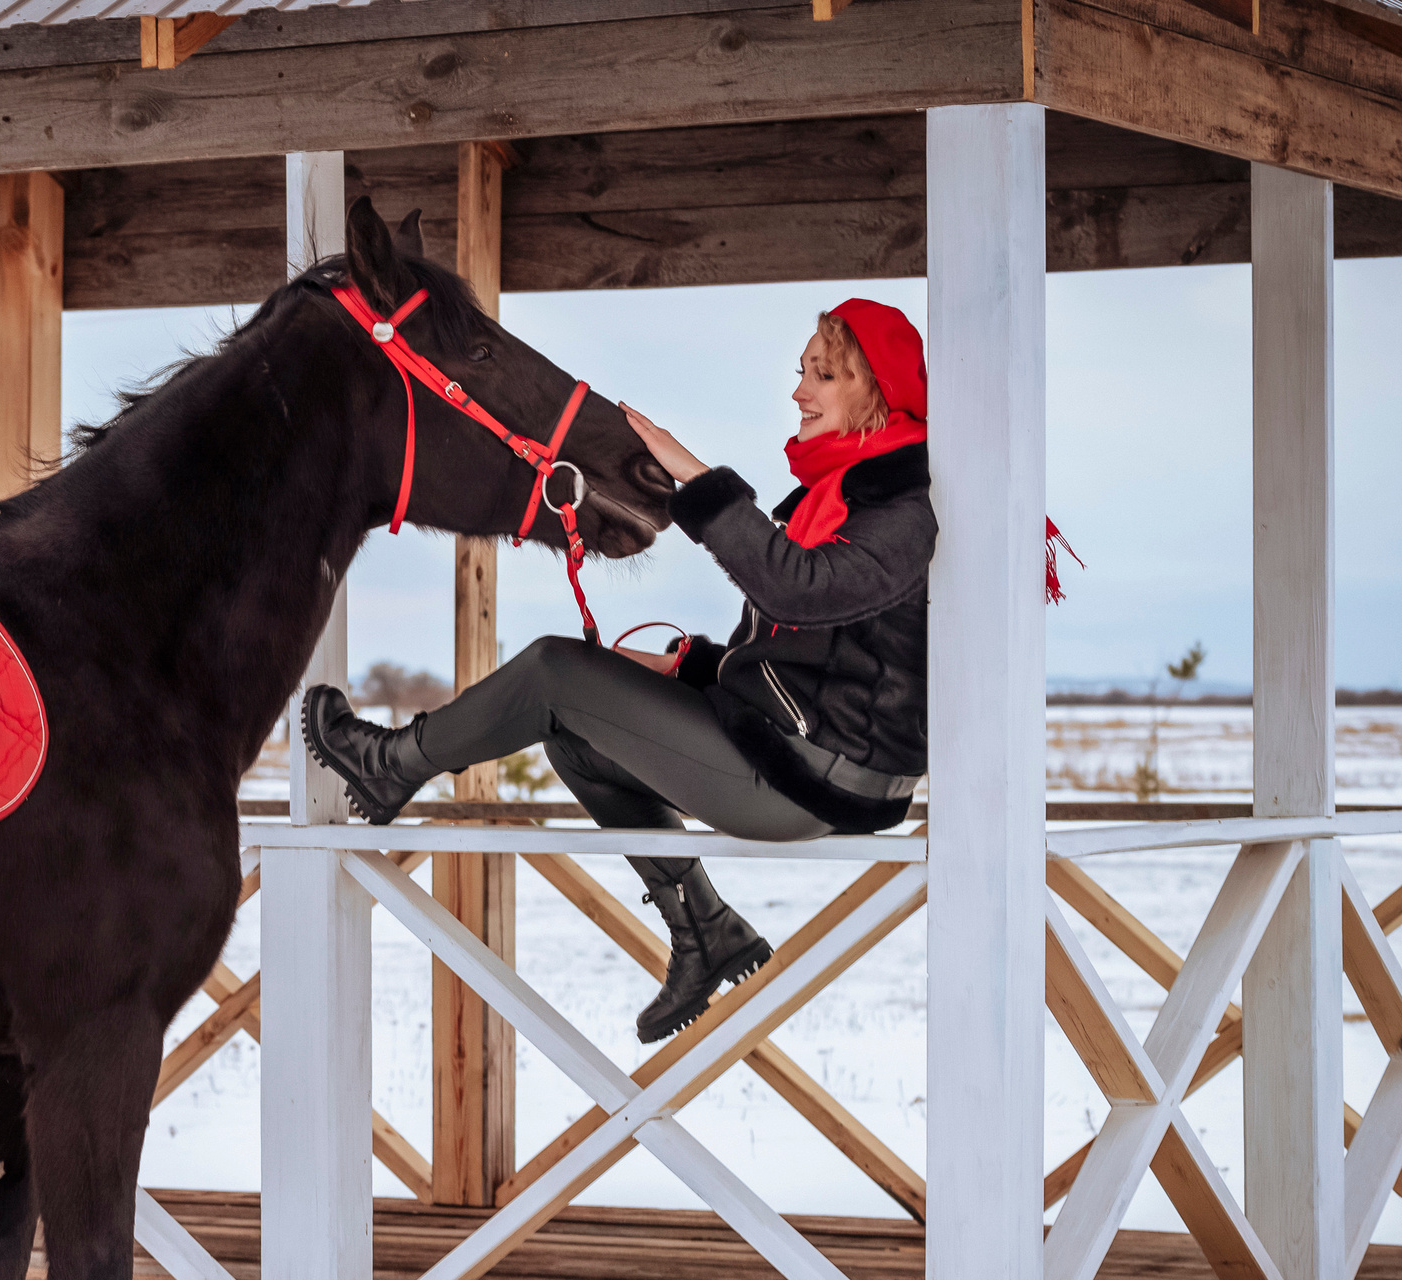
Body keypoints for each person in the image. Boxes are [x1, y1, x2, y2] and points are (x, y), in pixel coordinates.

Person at [303, 298, 935, 1044]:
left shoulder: (902, 510)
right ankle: (704, 930)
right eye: (801, 371)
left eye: (823, 375)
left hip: (814, 776)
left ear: (877, 394)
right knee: (576, 735)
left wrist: (694, 473)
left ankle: (389, 763)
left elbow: (796, 589)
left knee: (550, 670)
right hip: (795, 748)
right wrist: (684, 665)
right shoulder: (831, 498)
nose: (800, 391)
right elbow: (799, 657)